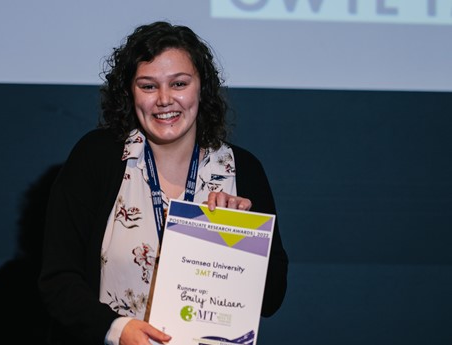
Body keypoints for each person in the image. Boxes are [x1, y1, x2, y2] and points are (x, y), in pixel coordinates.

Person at [39, 21, 288, 345]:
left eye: (179, 83)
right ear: (130, 91)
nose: (165, 99)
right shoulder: (97, 157)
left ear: (202, 87)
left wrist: (242, 236)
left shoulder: (242, 169)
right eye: (148, 86)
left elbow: (271, 300)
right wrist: (116, 329)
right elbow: (57, 280)